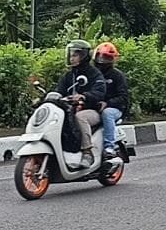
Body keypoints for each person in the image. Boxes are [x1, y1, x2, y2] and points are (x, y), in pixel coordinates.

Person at [54, 40, 107, 169]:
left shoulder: (94, 73)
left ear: (84, 56)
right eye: (71, 55)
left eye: (75, 55)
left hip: (91, 110)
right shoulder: (69, 75)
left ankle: (87, 152)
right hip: (70, 110)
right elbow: (59, 91)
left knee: (80, 117)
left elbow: (99, 91)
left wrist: (84, 96)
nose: (72, 58)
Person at [92, 42, 129, 160]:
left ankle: (109, 147)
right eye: (102, 57)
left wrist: (108, 103)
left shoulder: (117, 76)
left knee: (107, 113)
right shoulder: (92, 75)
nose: (104, 61)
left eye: (108, 58)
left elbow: (123, 97)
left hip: (115, 109)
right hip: (94, 107)